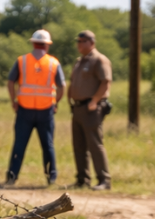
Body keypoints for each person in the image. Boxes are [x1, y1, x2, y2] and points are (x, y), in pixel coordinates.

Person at [5, 29, 65, 187]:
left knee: (19, 145)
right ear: (47, 45)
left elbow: (10, 81)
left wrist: (14, 100)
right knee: (48, 145)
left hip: (24, 109)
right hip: (46, 111)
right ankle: (51, 178)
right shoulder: (54, 62)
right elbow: (62, 87)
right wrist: (55, 102)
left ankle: (12, 177)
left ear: (33, 42)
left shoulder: (21, 61)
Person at [66, 30, 112, 190]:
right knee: (78, 146)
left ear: (92, 42)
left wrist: (94, 101)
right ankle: (82, 179)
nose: (79, 44)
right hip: (78, 108)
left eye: (82, 41)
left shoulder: (99, 60)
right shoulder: (80, 61)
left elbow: (105, 82)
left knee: (95, 144)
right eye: (77, 41)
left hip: (91, 108)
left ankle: (104, 180)